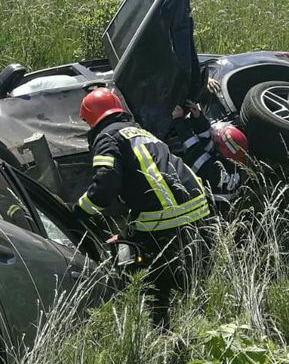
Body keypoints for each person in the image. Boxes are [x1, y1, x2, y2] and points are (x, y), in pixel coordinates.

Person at [74, 88, 210, 325]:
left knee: (148, 279)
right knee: (194, 278)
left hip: (164, 217)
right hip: (198, 208)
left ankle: (158, 329)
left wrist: (81, 211)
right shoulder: (140, 132)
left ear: (90, 119)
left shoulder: (106, 138)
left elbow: (105, 183)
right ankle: (201, 319)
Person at [166, 101, 248, 214]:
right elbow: (209, 144)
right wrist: (198, 118)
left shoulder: (211, 169)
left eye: (217, 138)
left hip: (208, 213)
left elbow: (192, 147)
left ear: (221, 151)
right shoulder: (234, 162)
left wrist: (178, 121)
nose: (215, 134)